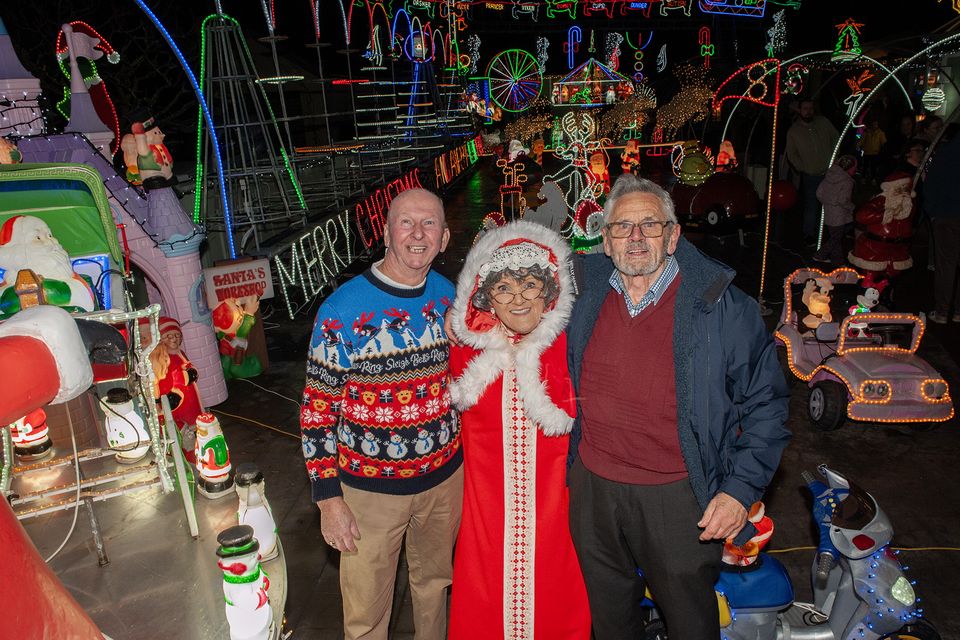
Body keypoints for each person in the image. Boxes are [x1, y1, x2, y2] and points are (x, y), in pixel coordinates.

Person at [566, 174, 791, 639]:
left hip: (677, 496)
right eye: (622, 227)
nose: (635, 237)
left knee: (690, 621)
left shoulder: (723, 306)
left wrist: (739, 489)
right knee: (607, 621)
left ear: (673, 235)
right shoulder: (581, 296)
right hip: (593, 490)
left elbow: (767, 404)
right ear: (604, 241)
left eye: (649, 224)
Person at [299, 188, 463, 640]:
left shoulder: (450, 297)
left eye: (429, 223)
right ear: (386, 233)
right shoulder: (342, 311)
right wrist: (328, 499)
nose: (417, 233)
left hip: (444, 481)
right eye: (405, 223)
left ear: (445, 237)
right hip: (370, 493)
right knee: (367, 609)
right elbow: (317, 412)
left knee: (435, 588)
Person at [446, 221, 591, 640]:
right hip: (485, 519)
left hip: (557, 516)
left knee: (557, 603)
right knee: (484, 606)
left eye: (530, 284)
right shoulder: (466, 352)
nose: (519, 299)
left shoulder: (570, 346)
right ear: (486, 297)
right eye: (504, 289)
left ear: (550, 290)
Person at [848, 141, 925, 279]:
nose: (903, 192)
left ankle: (886, 296)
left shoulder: (909, 202)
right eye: (900, 189)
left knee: (891, 279)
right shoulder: (883, 200)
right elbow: (862, 216)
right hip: (875, 248)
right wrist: (887, 213)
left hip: (898, 249)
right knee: (872, 281)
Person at [147, 316, 203, 464]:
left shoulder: (179, 352)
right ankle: (187, 457)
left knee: (194, 428)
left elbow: (188, 366)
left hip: (190, 399)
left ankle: (197, 452)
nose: (174, 339)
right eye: (168, 336)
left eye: (177, 335)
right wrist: (185, 376)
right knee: (184, 433)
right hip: (178, 404)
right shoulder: (163, 357)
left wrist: (193, 372)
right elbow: (166, 380)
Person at [784, 98, 840, 245]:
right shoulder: (794, 131)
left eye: (810, 108)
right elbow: (792, 153)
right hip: (811, 174)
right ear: (800, 110)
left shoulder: (823, 122)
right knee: (811, 205)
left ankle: (832, 231)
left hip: (829, 172)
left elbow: (836, 137)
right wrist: (803, 167)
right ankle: (808, 233)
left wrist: (835, 155)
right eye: (805, 109)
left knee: (833, 203)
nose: (808, 112)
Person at [922, 133, 960, 324]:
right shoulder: (945, 151)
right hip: (947, 213)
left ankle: (943, 311)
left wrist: (933, 212)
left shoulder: (945, 152)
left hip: (946, 214)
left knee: (946, 264)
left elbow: (930, 183)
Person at [814, 155, 857, 264]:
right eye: (855, 167)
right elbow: (843, 200)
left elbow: (819, 193)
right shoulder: (847, 181)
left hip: (828, 213)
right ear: (849, 168)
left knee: (835, 237)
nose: (856, 169)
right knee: (835, 238)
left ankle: (838, 260)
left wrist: (828, 202)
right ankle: (819, 255)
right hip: (839, 215)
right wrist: (853, 207)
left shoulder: (829, 176)